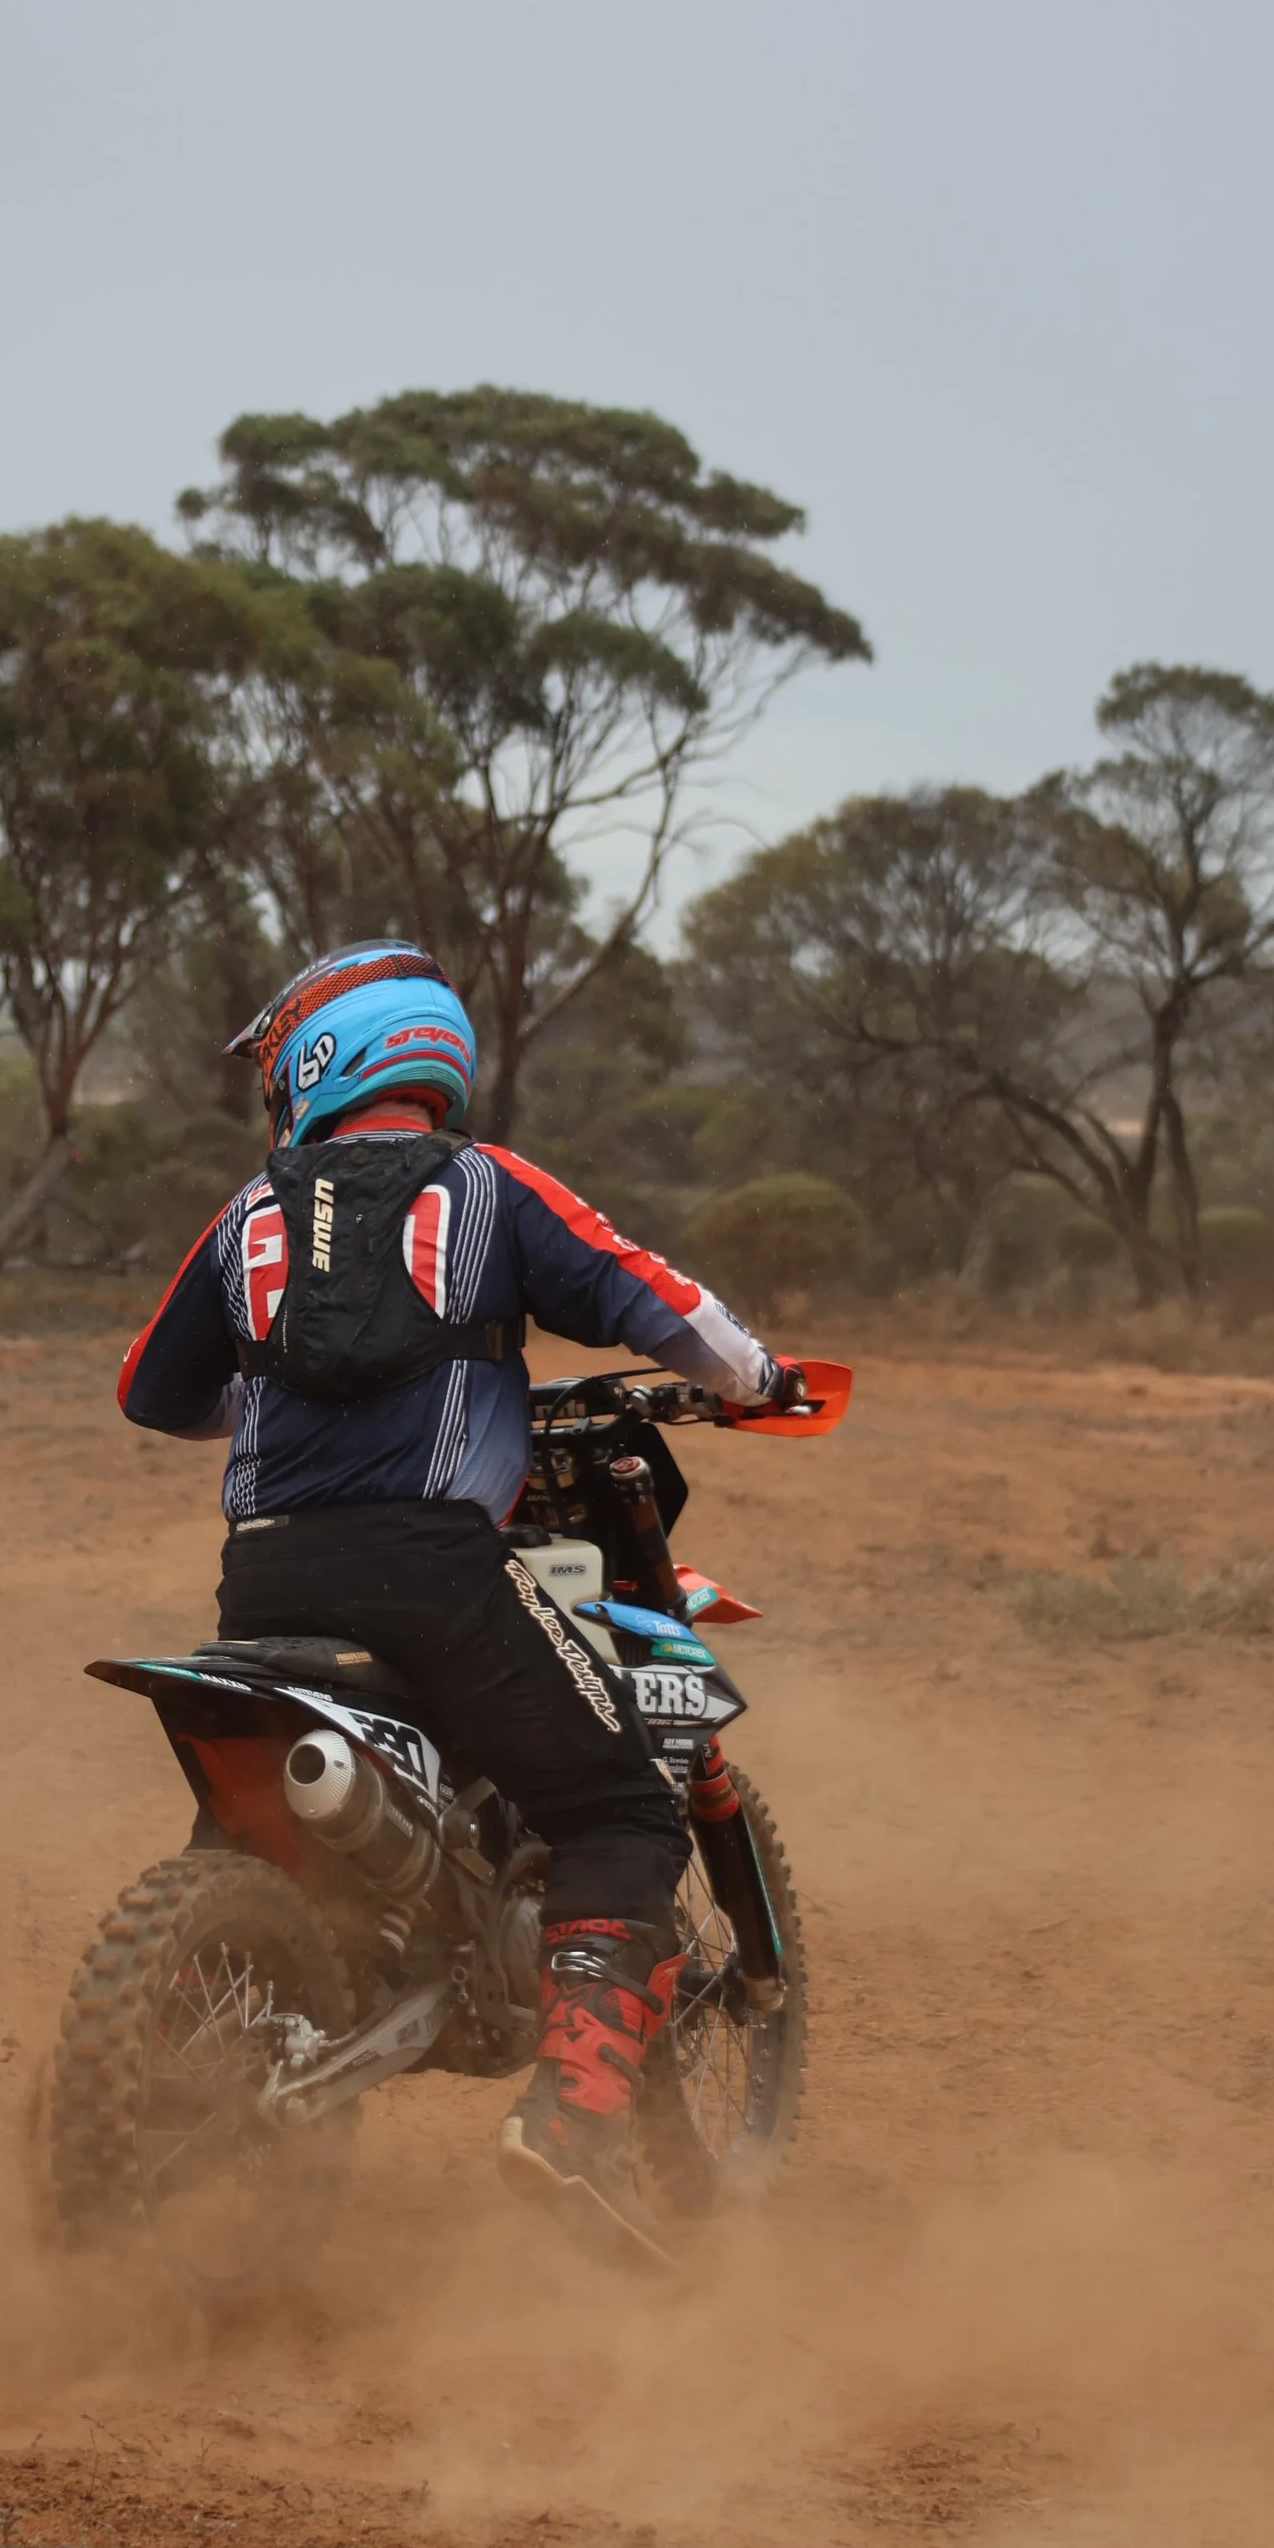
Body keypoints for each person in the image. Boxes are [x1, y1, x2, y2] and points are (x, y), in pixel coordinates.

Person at [116, 939, 801, 2250]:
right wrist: (756, 1377)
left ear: (323, 1062)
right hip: (434, 1565)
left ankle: (162, 2077)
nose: (272, 1092)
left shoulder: (248, 1215)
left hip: (260, 1574)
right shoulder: (484, 1187)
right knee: (620, 1806)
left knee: (252, 1834)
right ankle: (574, 2124)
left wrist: (281, 1387)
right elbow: (659, 1305)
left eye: (278, 1067)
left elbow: (156, 1394)